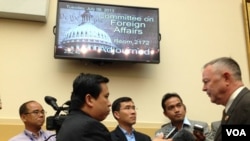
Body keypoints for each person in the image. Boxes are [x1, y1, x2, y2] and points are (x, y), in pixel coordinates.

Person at [202, 57, 250, 141]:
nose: (204, 88)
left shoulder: (247, 104)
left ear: (226, 78)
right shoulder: (233, 107)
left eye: (206, 81)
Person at [56, 73, 112, 141]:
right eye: (106, 97)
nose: (109, 103)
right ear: (89, 100)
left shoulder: (69, 121)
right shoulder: (91, 128)